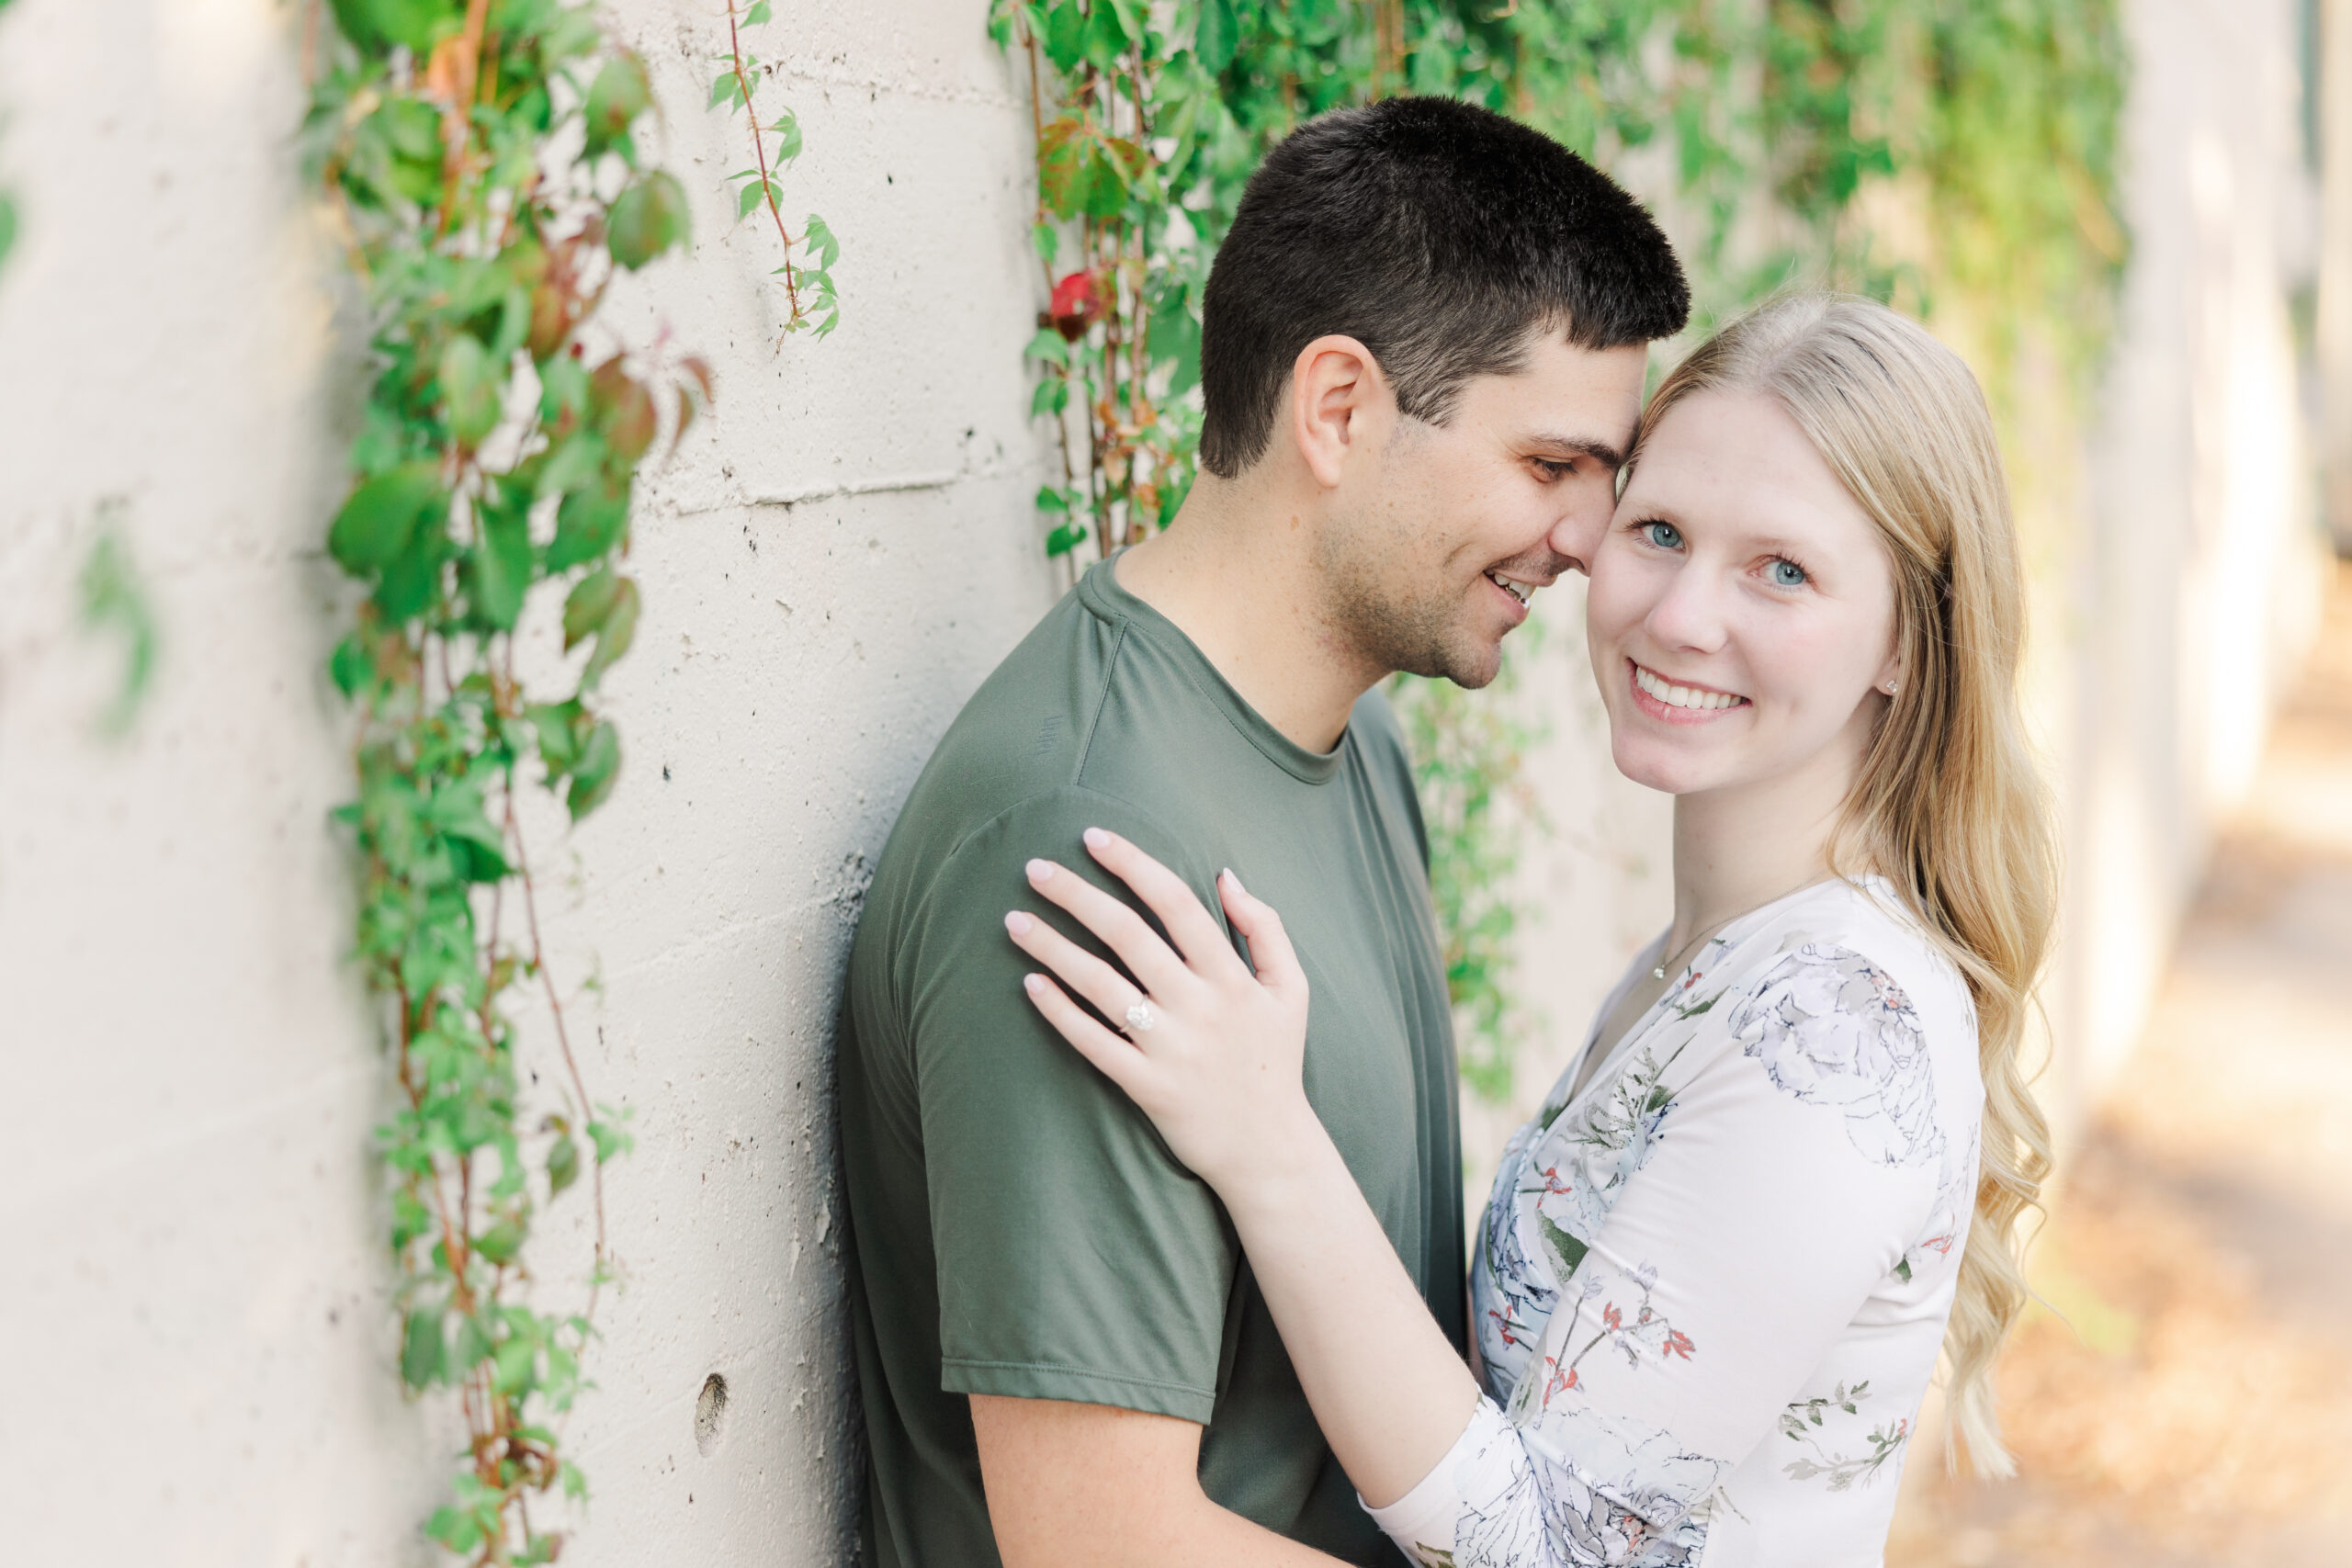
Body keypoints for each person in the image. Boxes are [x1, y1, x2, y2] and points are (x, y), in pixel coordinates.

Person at [1006, 293, 2058, 1566]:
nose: (1681, 616)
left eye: (1782, 569)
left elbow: (1548, 1548)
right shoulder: (1717, 962)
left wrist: (1264, 1140)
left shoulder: (1838, 1026)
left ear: (1906, 639)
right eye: (1659, 531)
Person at [833, 96, 1688, 1568]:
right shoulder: (1087, 842)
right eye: (1552, 469)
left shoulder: (1354, 746)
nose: (1591, 540)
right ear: (1339, 409)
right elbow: (1101, 1543)